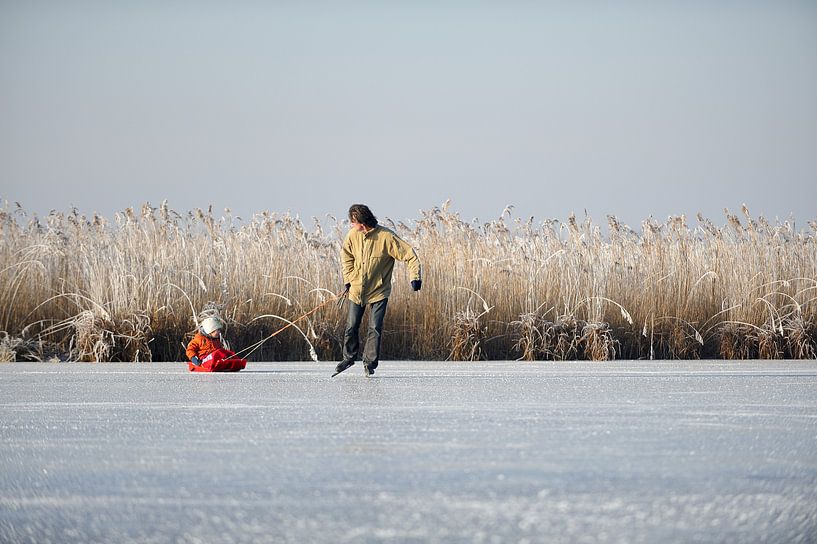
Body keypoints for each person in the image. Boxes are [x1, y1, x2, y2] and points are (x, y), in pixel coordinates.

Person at [334, 204, 422, 377]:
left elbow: (410, 255)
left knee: (375, 328)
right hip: (356, 290)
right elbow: (346, 257)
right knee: (351, 326)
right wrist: (348, 279)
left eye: (352, 222)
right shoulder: (352, 236)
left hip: (379, 291)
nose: (351, 225)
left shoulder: (386, 237)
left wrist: (415, 278)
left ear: (361, 221)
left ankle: (369, 363)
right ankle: (349, 358)